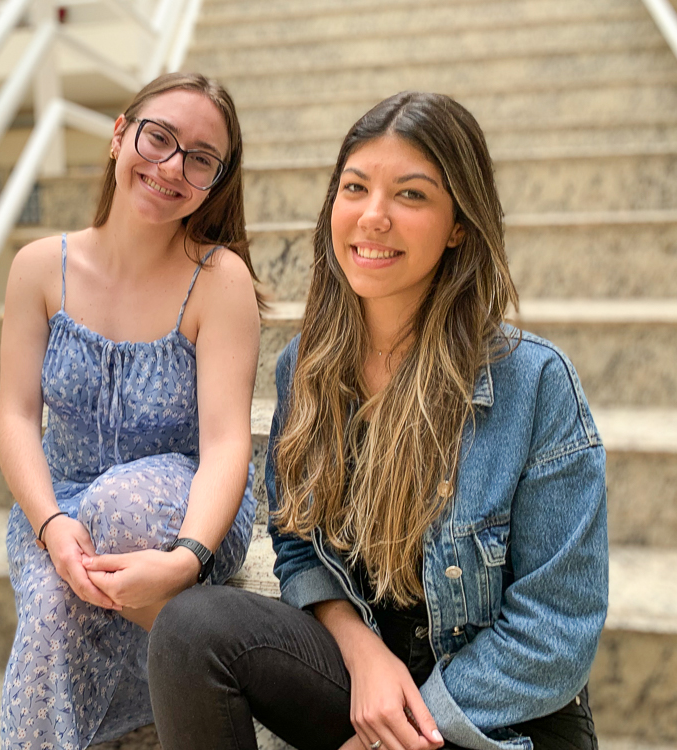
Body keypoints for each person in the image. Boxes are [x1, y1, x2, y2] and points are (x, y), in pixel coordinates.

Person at [148, 92, 608, 750]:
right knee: (191, 629)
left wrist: (391, 736)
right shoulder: (309, 365)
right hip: (373, 679)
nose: (373, 216)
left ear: (459, 225)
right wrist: (361, 651)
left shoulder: (534, 382)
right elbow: (298, 542)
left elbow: (557, 631)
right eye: (355, 187)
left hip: (497, 713)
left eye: (411, 195)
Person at [0, 72, 261, 750]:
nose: (171, 167)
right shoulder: (38, 267)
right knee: (52, 606)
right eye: (159, 138)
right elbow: (16, 418)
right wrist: (51, 524)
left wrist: (187, 560)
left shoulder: (219, 279)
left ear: (215, 181)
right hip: (58, 507)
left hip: (186, 509)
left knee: (118, 506)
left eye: (200, 158)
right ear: (120, 135)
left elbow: (228, 445)